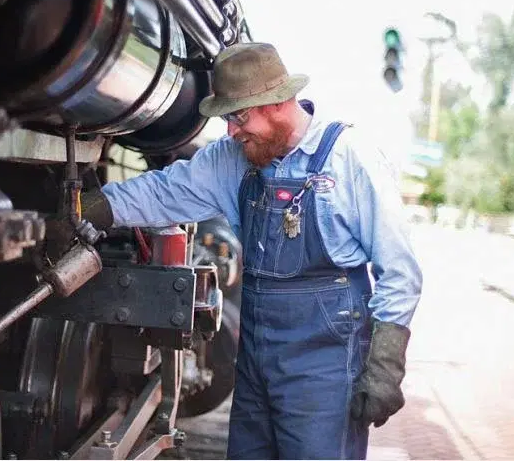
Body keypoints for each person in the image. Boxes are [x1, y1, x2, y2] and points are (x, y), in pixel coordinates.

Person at [79, 42, 423, 459]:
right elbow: (164, 191)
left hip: (324, 368)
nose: (231, 131)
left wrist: (386, 365)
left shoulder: (350, 159)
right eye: (227, 118)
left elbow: (400, 270)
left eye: (238, 116)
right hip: (257, 364)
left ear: (278, 103)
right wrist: (93, 208)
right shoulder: (232, 160)